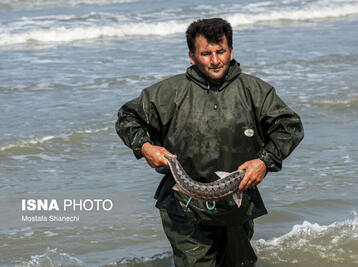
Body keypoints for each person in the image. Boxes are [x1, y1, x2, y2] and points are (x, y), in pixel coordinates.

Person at [115, 18, 303, 267]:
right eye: (206, 54)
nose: (215, 60)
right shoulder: (169, 92)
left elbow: (290, 127)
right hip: (184, 205)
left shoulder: (256, 91)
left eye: (221, 52)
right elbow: (128, 117)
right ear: (192, 56)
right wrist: (145, 147)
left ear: (231, 51)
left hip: (237, 203)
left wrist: (264, 161)